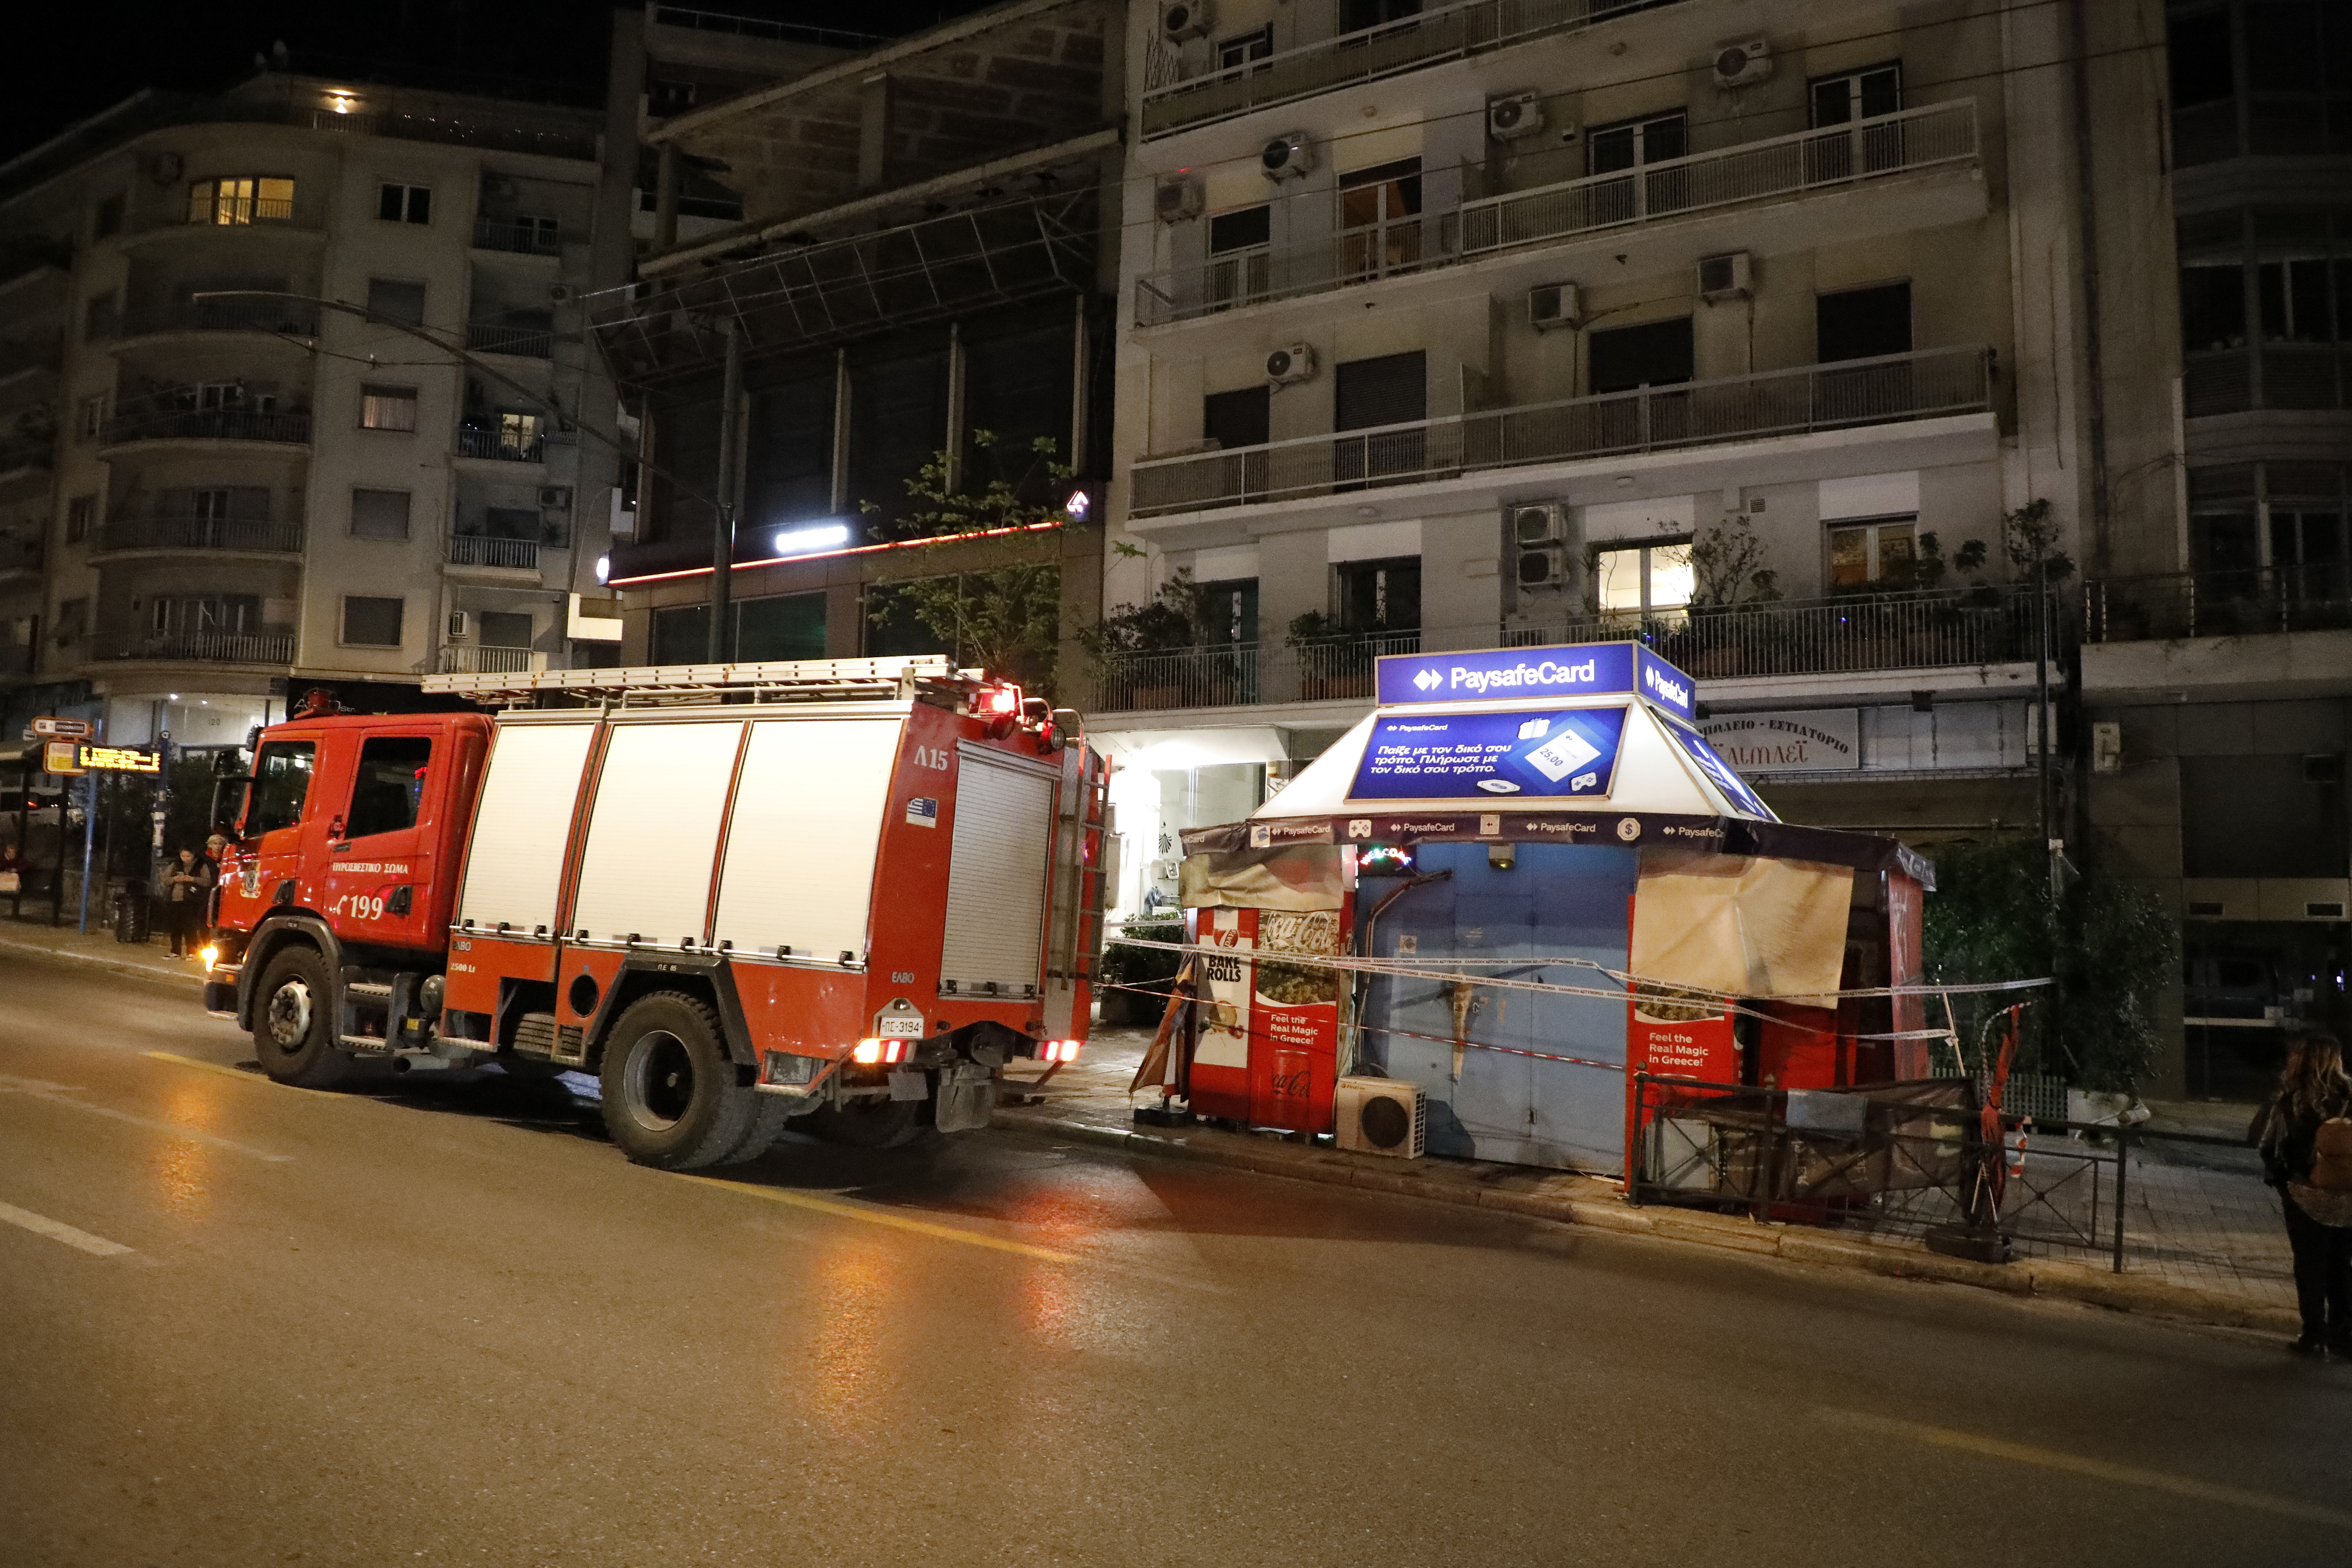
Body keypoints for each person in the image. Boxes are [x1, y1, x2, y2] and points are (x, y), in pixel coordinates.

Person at [2256, 1034, 2352, 1357]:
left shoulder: (2293, 1098)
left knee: (2310, 1266)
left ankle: (2314, 1336)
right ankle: (2346, 1333)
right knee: (2341, 1265)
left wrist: (2285, 1182)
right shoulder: (2350, 1096)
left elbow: (2267, 1144)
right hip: (2347, 1196)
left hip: (2305, 1194)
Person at [161, 846, 216, 959]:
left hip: (192, 900)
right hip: (175, 899)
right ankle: (175, 951)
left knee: (190, 927)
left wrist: (192, 879)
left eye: (188, 856)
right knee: (175, 926)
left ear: (194, 855)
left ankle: (192, 951)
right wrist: (175, 879)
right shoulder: (175, 865)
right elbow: (165, 880)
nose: (185, 859)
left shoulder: (201, 865)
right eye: (183, 856)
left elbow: (207, 882)